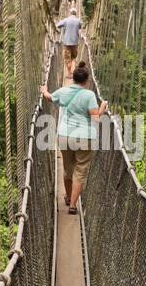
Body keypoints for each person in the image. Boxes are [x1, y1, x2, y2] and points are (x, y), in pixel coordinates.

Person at [41, 62, 108, 215]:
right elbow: (96, 118)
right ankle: (72, 205)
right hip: (85, 138)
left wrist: (45, 90)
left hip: (65, 136)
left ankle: (68, 196)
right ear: (87, 81)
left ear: (73, 78)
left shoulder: (63, 91)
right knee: (80, 172)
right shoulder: (89, 95)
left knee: (68, 169)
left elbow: (50, 98)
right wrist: (103, 107)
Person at [57, 8, 82, 77]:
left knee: (68, 59)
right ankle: (74, 73)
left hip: (67, 43)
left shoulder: (66, 20)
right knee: (73, 58)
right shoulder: (78, 20)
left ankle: (69, 74)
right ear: (75, 13)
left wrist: (65, 26)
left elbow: (58, 25)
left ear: (70, 13)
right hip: (75, 43)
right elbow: (80, 27)